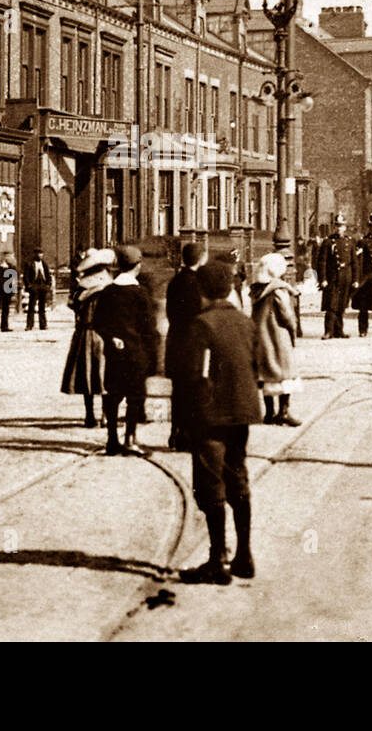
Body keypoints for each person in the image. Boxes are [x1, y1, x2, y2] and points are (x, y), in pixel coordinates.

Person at [174, 260, 262, 585]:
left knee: (211, 486)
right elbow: (258, 366)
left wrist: (184, 422)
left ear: (203, 290)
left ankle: (217, 560)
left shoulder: (201, 325)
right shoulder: (244, 322)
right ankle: (244, 555)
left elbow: (193, 377)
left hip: (210, 417)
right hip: (241, 414)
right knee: (238, 479)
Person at [91, 244, 159, 455]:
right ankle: (130, 438)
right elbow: (149, 327)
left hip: (114, 354)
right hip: (136, 353)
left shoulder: (108, 292)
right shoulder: (140, 294)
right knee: (135, 396)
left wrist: (111, 338)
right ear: (137, 266)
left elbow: (98, 322)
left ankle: (112, 440)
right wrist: (152, 355)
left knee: (113, 394)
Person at [61, 249, 114, 428]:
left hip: (84, 333)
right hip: (103, 333)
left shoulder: (81, 287)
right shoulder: (108, 286)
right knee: (106, 375)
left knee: (86, 375)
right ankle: (106, 416)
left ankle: (89, 415)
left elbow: (73, 305)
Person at [250, 252, 301, 425]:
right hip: (278, 337)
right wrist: (293, 330)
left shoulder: (256, 290)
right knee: (285, 375)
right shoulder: (278, 290)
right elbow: (287, 316)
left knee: (267, 376)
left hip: (262, 339)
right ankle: (284, 412)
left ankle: (269, 413)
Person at [166, 242, 208, 449]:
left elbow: (170, 312)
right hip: (193, 345)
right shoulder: (199, 284)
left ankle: (175, 432)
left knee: (178, 390)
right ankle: (189, 434)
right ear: (201, 259)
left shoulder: (175, 281)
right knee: (194, 391)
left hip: (175, 342)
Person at [315, 211, 355, 339]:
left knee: (342, 305)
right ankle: (328, 331)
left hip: (345, 277)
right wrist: (323, 279)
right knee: (331, 305)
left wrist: (355, 279)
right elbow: (322, 262)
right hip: (332, 278)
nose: (339, 228)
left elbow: (354, 262)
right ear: (334, 227)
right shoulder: (328, 242)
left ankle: (339, 330)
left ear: (345, 227)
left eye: (341, 225)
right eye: (337, 225)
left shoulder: (349, 242)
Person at [23, 248, 53, 331]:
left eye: (41, 253)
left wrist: (48, 285)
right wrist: (29, 286)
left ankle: (43, 325)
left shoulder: (44, 264)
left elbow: (48, 275)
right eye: (38, 253)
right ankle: (29, 325)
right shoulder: (29, 264)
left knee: (42, 306)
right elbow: (26, 276)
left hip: (43, 286)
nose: (40, 255)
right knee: (31, 306)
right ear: (34, 254)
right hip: (34, 287)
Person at [0, 251, 18, 332]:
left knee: (6, 309)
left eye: (8, 256)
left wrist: (13, 290)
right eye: (5, 256)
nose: (7, 258)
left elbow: (14, 280)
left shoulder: (11, 267)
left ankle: (4, 326)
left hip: (7, 291)